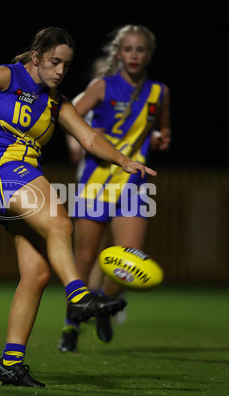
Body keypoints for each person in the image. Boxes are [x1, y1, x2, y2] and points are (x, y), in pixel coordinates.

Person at [0, 27, 156, 388]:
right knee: (60, 221)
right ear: (36, 56)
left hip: (22, 175)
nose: (59, 71)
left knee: (37, 274)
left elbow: (88, 137)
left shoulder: (57, 100)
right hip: (1, 169)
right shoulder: (7, 76)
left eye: (66, 66)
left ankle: (10, 363)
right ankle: (79, 297)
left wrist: (123, 160)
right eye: (54, 62)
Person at [58, 24, 171, 353]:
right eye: (128, 49)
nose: (134, 55)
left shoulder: (159, 92)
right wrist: (73, 139)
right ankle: (70, 326)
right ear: (118, 54)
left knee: (128, 265)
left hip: (135, 186)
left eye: (140, 50)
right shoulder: (102, 86)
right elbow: (65, 114)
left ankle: (105, 303)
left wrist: (162, 138)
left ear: (148, 55)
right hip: (96, 182)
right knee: (84, 261)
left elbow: (163, 128)